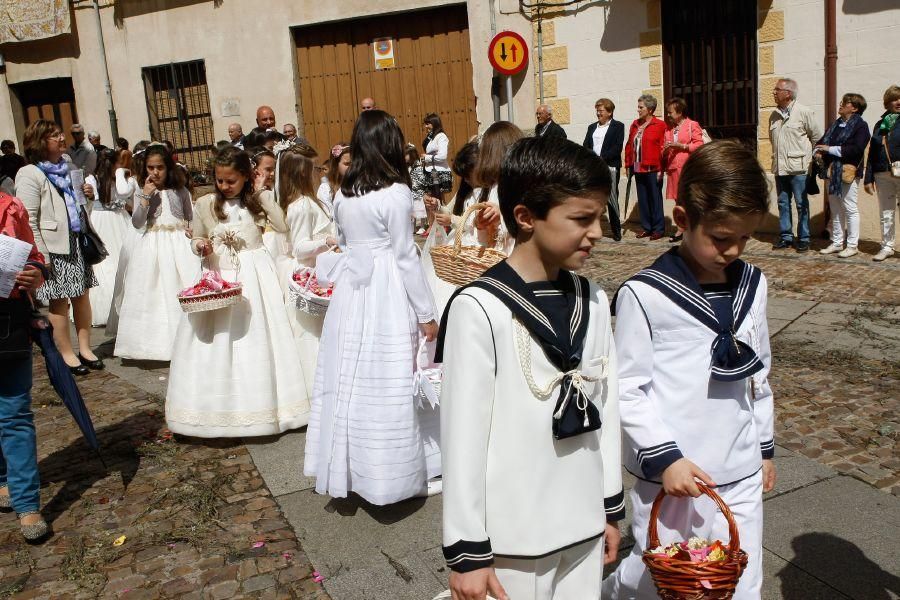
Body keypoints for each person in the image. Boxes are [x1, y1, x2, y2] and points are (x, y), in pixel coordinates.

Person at [438, 136, 623, 600]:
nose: (597, 232)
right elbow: (463, 434)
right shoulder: (479, 308)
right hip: (512, 538)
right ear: (525, 217)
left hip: (582, 524)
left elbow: (608, 406)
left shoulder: (595, 300)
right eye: (582, 218)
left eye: (599, 217)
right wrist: (467, 550)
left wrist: (609, 506)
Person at [602, 141, 776, 600]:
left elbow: (759, 374)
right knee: (668, 576)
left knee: (740, 575)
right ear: (682, 221)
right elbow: (628, 388)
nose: (733, 250)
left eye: (744, 238)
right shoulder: (645, 295)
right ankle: (616, 590)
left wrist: (764, 446)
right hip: (674, 473)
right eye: (721, 238)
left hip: (737, 468)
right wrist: (667, 458)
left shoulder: (754, 286)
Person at [303, 110, 439, 505]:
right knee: (389, 372)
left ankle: (350, 466)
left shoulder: (345, 193)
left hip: (352, 290)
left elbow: (345, 241)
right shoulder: (396, 194)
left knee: (352, 375)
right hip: (386, 288)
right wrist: (427, 312)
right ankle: (390, 474)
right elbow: (405, 257)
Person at [166, 146, 309, 437]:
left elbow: (282, 225)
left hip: (254, 276)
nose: (224, 186)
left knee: (257, 335)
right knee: (217, 337)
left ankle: (267, 406)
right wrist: (200, 246)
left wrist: (263, 192)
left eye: (231, 181)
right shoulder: (206, 204)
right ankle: (214, 408)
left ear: (246, 177)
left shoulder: (256, 203)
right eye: (220, 180)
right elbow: (197, 235)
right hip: (220, 276)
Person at [16, 120, 101, 376]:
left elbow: (79, 204)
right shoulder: (30, 173)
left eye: (59, 133)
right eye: (54, 135)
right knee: (59, 301)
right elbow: (28, 218)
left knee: (82, 295)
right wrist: (40, 254)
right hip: (52, 247)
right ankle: (67, 353)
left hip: (75, 239)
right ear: (40, 142)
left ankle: (85, 349)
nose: (61, 137)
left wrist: (87, 194)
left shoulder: (69, 164)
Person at [113, 143, 195, 361]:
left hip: (179, 243)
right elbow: (138, 222)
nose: (155, 172)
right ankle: (160, 345)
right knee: (154, 292)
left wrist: (191, 232)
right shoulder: (142, 190)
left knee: (182, 286)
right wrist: (145, 198)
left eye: (159, 167)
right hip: (153, 244)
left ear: (168, 167)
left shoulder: (181, 190)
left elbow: (189, 216)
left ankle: (188, 342)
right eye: (150, 168)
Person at [0, 189, 50, 542]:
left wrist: (35, 272)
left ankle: (27, 504)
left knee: (15, 414)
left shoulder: (10, 205)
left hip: (7, 323)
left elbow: (34, 256)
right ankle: (4, 480)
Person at [277, 143, 337, 398]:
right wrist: (327, 242)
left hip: (319, 269)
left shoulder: (310, 202)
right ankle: (316, 390)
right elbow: (301, 248)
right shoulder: (301, 206)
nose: (319, 173)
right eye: (314, 169)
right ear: (303, 173)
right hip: (308, 274)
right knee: (311, 335)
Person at [769, 78, 822, 252]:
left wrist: (814, 159)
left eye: (777, 89)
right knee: (783, 203)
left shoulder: (804, 112)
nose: (774, 92)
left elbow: (817, 138)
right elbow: (773, 141)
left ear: (788, 93)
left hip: (799, 167)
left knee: (801, 203)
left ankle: (804, 238)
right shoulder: (773, 115)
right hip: (780, 167)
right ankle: (786, 236)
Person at [815, 93, 871, 259]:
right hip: (832, 172)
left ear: (854, 108)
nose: (840, 104)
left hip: (848, 172)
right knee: (835, 208)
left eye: (844, 103)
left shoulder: (861, 126)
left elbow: (856, 149)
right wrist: (817, 151)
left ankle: (852, 245)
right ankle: (837, 241)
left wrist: (829, 149)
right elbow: (821, 142)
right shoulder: (836, 125)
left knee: (850, 208)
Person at [86, 148, 135, 326]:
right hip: (117, 219)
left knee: (106, 260)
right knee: (120, 256)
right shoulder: (118, 177)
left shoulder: (92, 178)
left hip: (102, 219)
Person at [473, 121, 525, 255]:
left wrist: (502, 215)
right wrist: (480, 223)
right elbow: (486, 238)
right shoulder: (492, 186)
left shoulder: (523, 183)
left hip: (518, 253)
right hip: (499, 254)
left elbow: (534, 222)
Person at [864, 84, 900, 262]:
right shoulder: (880, 124)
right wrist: (868, 178)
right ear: (887, 103)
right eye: (894, 98)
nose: (898, 101)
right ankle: (887, 246)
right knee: (886, 212)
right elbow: (872, 153)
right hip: (882, 173)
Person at [661, 97, 705, 242]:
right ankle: (681, 228)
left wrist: (682, 146)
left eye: (670, 112)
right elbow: (663, 150)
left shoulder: (692, 125)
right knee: (678, 200)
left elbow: (699, 145)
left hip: (688, 169)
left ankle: (695, 228)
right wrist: (666, 150)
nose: (668, 115)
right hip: (674, 169)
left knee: (690, 199)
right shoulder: (669, 129)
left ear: (679, 112)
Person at [625, 94, 667, 240]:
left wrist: (662, 168)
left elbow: (664, 148)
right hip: (638, 166)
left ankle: (658, 229)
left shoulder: (660, 125)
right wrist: (628, 164)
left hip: (654, 167)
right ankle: (647, 227)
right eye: (638, 107)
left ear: (649, 109)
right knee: (643, 198)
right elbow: (629, 145)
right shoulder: (635, 124)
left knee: (654, 198)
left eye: (640, 107)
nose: (638, 110)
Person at [583, 98, 625, 241]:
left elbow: (617, 147)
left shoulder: (618, 126)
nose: (598, 113)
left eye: (601, 111)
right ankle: (590, 228)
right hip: (594, 167)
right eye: (597, 110)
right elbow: (586, 145)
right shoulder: (591, 127)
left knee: (612, 198)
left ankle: (616, 230)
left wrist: (601, 158)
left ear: (610, 112)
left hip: (610, 166)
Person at [422, 113, 452, 201]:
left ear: (435, 123)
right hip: (430, 171)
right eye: (425, 124)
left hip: (437, 172)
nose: (426, 126)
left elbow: (443, 156)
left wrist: (427, 157)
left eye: (428, 124)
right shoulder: (431, 138)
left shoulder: (441, 136)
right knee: (433, 199)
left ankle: (442, 214)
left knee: (438, 199)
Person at [317, 143, 350, 212]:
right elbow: (328, 216)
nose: (352, 167)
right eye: (347, 164)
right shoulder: (326, 189)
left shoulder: (360, 185)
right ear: (335, 165)